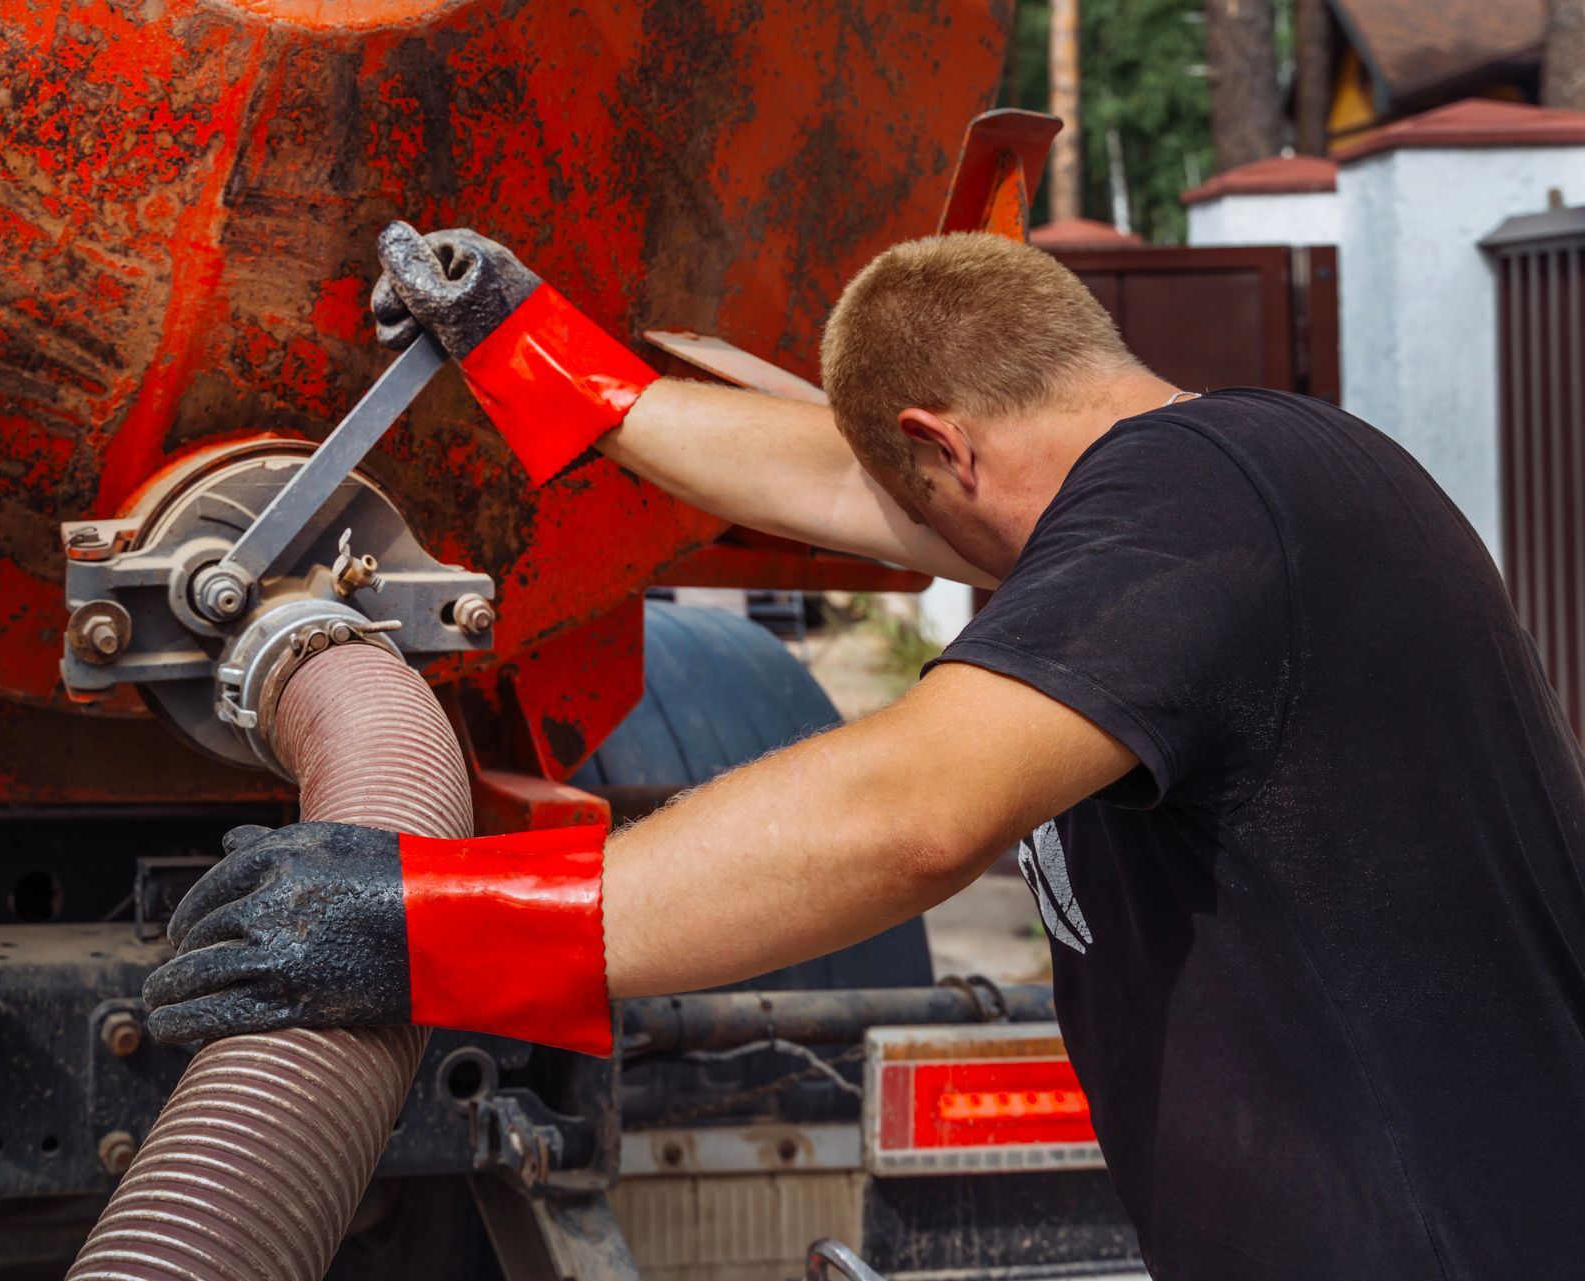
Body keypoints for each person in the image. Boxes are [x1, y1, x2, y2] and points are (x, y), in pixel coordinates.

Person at [142, 223, 1585, 1279]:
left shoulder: (1204, 495)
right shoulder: (1188, 488)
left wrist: (426, 927)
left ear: (946, 443)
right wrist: (544, 361)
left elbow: (905, 815)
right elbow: (845, 474)